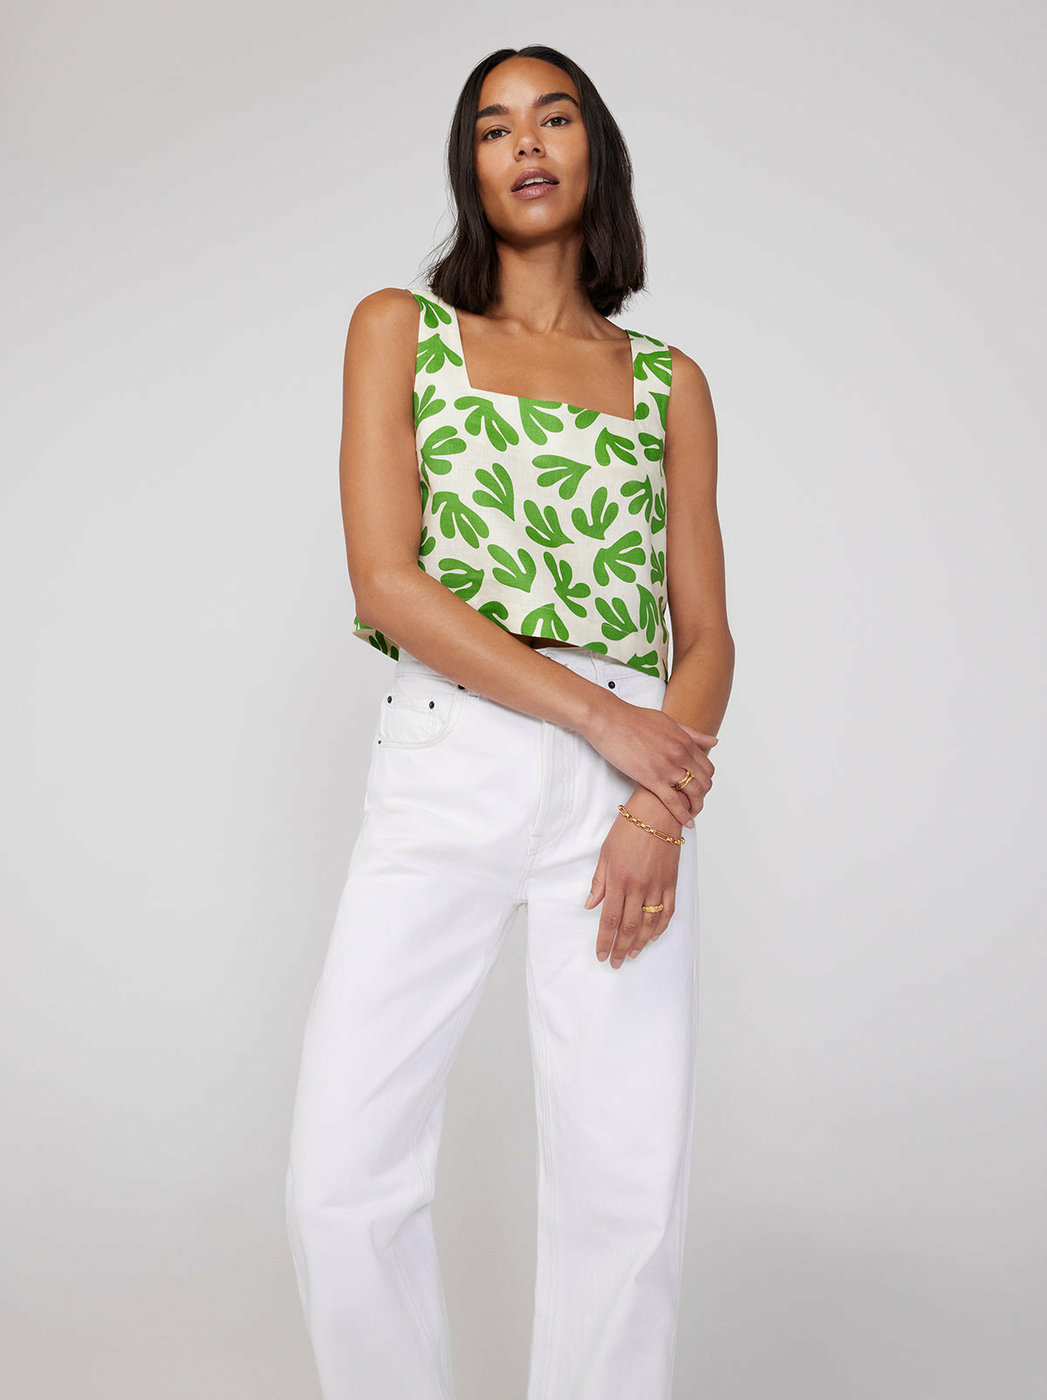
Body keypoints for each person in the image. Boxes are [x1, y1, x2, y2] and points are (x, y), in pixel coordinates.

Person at [285, 43, 734, 1400]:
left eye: (554, 118)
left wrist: (654, 807)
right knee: (340, 1175)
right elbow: (387, 582)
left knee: (624, 1181)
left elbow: (707, 635)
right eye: (493, 128)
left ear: (596, 151)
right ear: (469, 167)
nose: (526, 144)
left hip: (627, 795)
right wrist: (608, 723)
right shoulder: (400, 330)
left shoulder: (668, 382)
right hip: (456, 754)